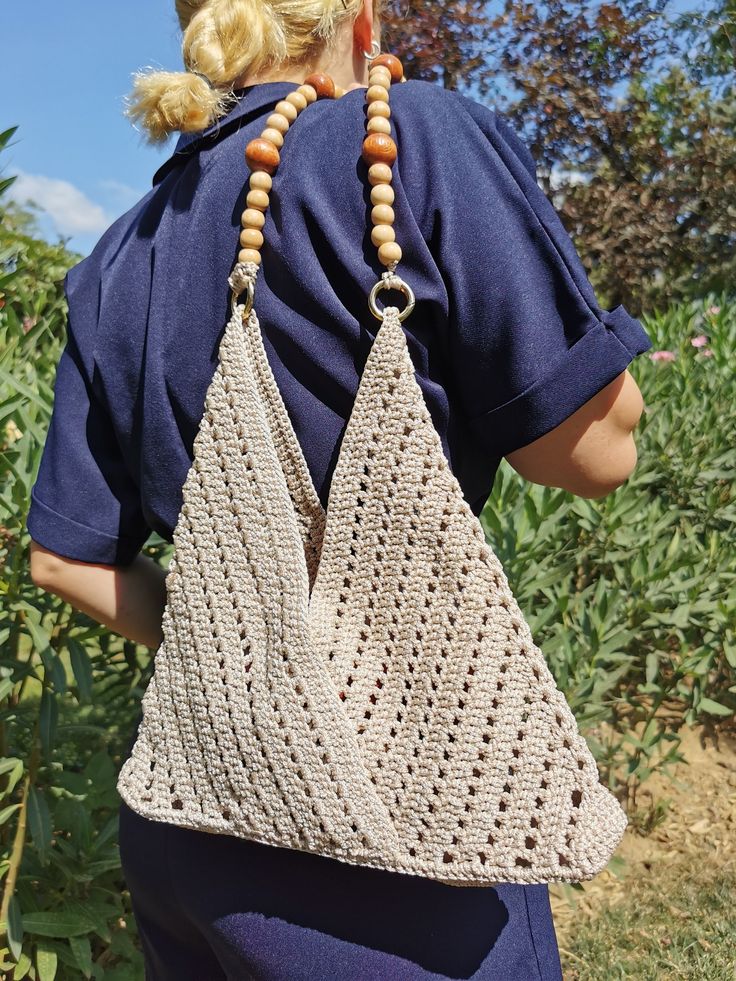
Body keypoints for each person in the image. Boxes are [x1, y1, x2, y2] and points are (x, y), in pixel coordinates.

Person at [26, 1, 652, 978]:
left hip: (189, 828)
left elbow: (62, 559)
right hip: (392, 863)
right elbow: (592, 455)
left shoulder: (114, 258)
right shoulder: (404, 148)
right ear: (360, 18)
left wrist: (254, 640)